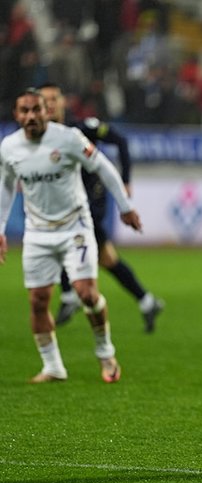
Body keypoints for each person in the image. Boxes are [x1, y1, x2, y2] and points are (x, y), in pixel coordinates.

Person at [0, 88, 143, 383]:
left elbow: (104, 166)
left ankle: (106, 353)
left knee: (86, 293)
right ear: (16, 115)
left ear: (46, 112)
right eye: (24, 111)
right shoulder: (9, 147)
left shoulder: (68, 139)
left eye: (36, 110)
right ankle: (53, 367)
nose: (30, 116)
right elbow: (5, 187)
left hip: (75, 227)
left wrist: (126, 207)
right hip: (37, 234)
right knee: (38, 301)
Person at [38, 83, 164, 333]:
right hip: (66, 203)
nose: (50, 104)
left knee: (65, 239)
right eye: (44, 100)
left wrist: (126, 179)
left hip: (91, 202)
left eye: (54, 98)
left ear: (64, 101)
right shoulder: (41, 137)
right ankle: (147, 301)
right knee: (108, 259)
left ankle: (68, 296)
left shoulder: (83, 128)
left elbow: (121, 140)